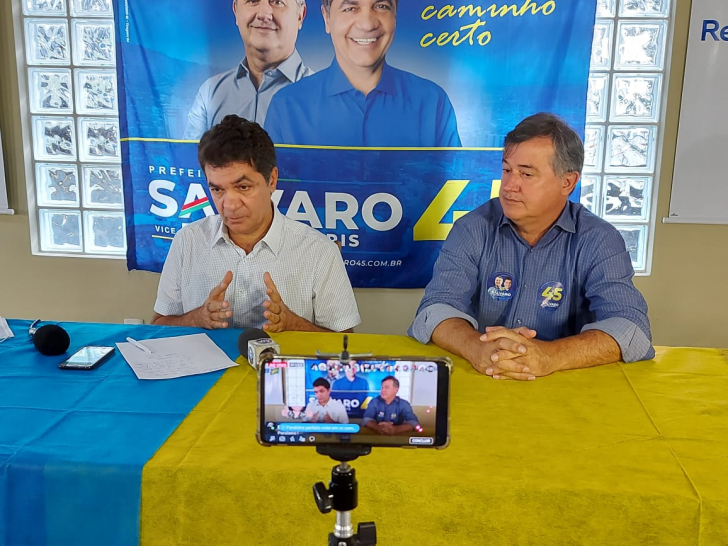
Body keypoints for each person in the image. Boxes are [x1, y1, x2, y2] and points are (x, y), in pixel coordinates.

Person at [409, 112, 654, 380]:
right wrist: (477, 349)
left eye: (526, 174)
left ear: (567, 182)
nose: (509, 186)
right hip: (485, 375)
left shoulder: (599, 239)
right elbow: (434, 310)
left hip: (566, 386)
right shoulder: (472, 228)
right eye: (507, 170)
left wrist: (549, 355)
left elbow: (632, 328)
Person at [152, 115, 361, 333]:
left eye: (243, 187)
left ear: (271, 180)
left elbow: (343, 342)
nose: (230, 205)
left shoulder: (319, 251)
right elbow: (158, 324)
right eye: (217, 189)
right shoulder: (188, 241)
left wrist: (292, 324)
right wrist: (198, 318)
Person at [264, 0, 461, 147]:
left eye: (381, 6)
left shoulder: (433, 102)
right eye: (350, 8)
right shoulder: (286, 107)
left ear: (395, 16)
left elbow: (458, 194)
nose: (367, 24)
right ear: (327, 18)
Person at [184, 0, 313, 139]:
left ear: (300, 15)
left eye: (277, 1)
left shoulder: (322, 101)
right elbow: (189, 160)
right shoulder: (210, 93)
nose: (263, 14)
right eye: (252, 1)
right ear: (236, 10)